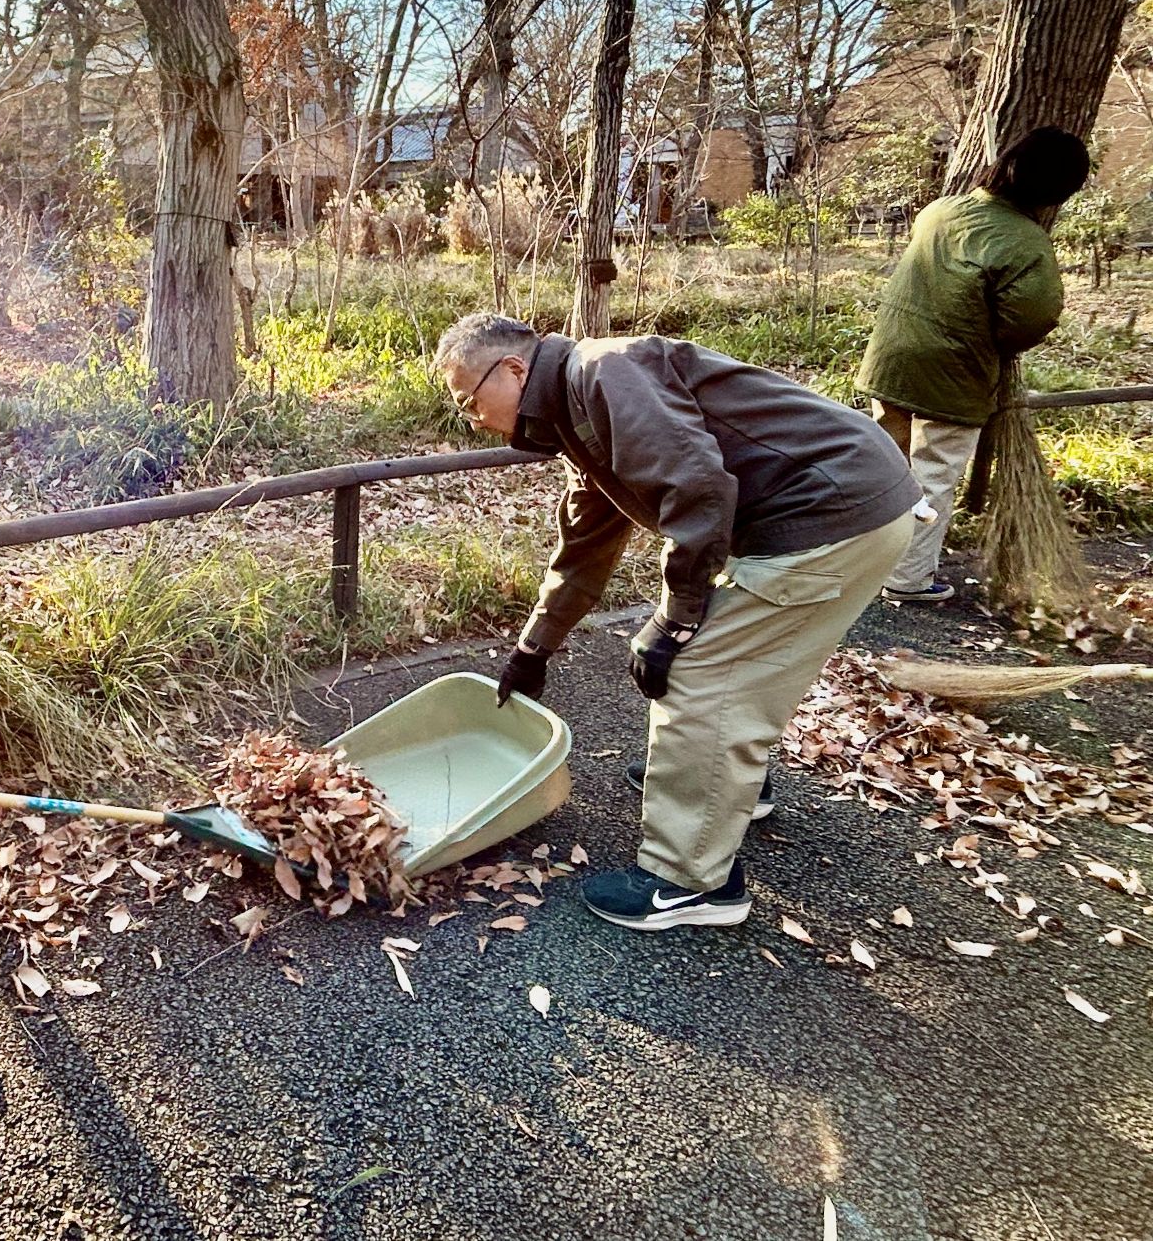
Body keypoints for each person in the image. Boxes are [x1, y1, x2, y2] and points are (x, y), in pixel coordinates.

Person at [436, 313, 923, 930]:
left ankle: (688, 882)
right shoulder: (576, 413)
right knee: (740, 658)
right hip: (845, 505)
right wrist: (533, 651)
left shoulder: (604, 374)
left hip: (829, 515)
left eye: (468, 400)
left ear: (511, 369)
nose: (470, 418)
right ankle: (723, 789)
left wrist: (675, 620)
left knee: (699, 672)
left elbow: (697, 490)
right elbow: (585, 544)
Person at [855, 126, 1090, 601]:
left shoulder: (940, 211)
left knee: (887, 467)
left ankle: (864, 564)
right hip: (953, 371)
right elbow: (1030, 319)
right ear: (1057, 192)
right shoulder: (1026, 242)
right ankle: (906, 580)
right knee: (932, 475)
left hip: (891, 360)